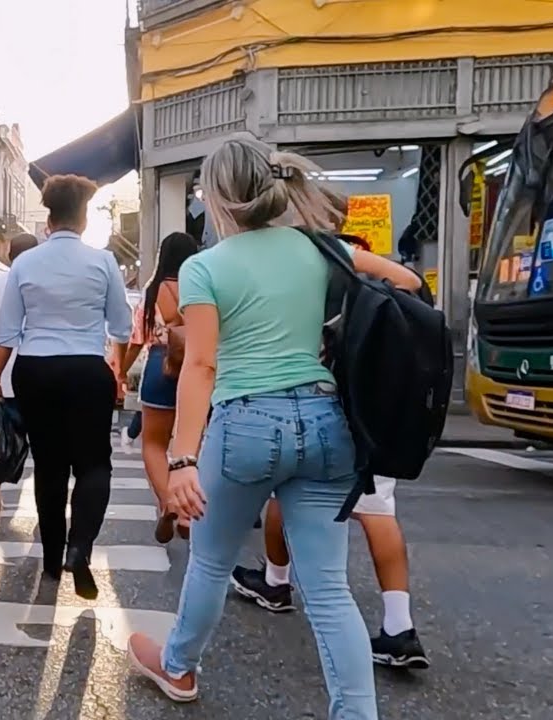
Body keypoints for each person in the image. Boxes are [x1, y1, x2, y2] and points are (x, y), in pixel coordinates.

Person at [125, 137, 420, 717]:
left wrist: (183, 458)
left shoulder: (206, 267)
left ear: (217, 199)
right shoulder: (323, 250)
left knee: (210, 560)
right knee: (330, 588)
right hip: (324, 418)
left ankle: (179, 667)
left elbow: (202, 366)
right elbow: (407, 286)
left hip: (245, 424)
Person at [230, 218, 431, 669]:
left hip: (319, 401)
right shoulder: (349, 259)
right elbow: (411, 283)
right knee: (378, 510)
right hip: (369, 401)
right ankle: (398, 625)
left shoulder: (306, 257)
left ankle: (277, 581)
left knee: (288, 489)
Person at [0, 174, 132, 601]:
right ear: (84, 218)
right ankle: (80, 546)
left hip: (36, 369)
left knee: (49, 465)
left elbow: (8, 331)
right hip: (87, 368)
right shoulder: (103, 262)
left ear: (48, 217)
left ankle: (52, 558)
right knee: (93, 464)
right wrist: (118, 373)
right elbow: (121, 326)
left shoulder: (26, 264)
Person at [123, 232, 200, 543]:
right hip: (196, 366)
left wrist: (122, 370)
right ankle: (187, 511)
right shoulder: (202, 285)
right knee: (193, 444)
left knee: (153, 444)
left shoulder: (153, 290)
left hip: (160, 365)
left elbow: (136, 339)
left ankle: (168, 502)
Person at [0, 232, 38, 533]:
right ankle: (47, 506)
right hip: (41, 374)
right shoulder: (44, 285)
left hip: (4, 374)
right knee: (46, 445)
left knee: (4, 437)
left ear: (9, 255)